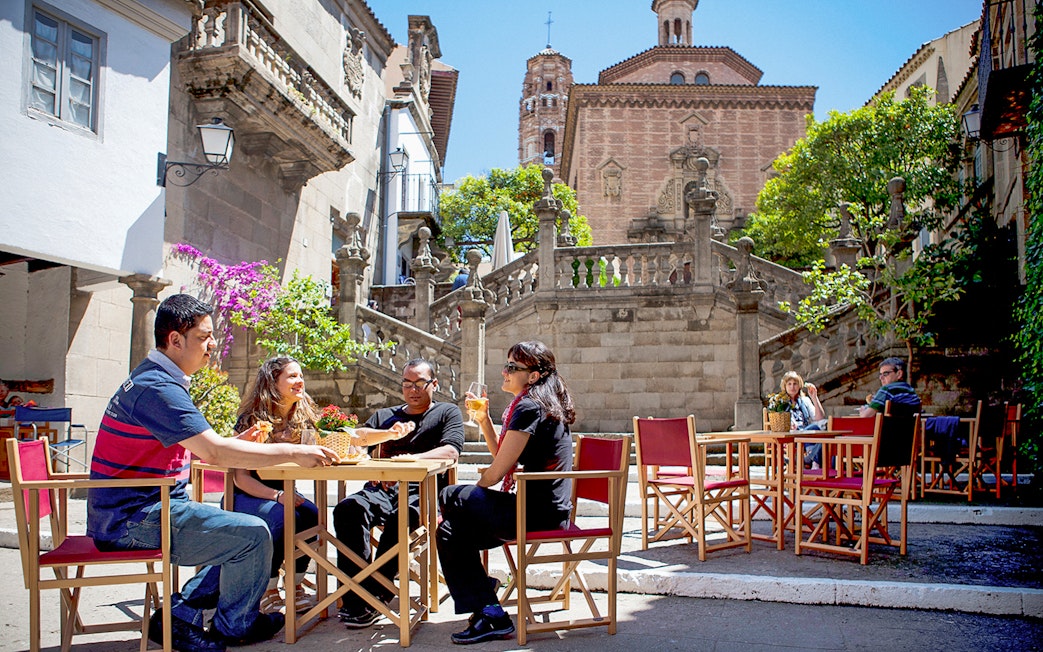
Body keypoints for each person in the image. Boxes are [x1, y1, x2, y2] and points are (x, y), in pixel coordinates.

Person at [86, 294, 340, 652]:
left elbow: (203, 451)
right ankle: (229, 624)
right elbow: (215, 452)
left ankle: (184, 613)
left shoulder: (156, 380)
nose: (213, 344)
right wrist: (294, 452)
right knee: (252, 533)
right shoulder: (158, 388)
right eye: (204, 337)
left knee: (241, 531)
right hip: (133, 518)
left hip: (148, 506)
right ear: (175, 340)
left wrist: (235, 443)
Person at [437, 341, 575, 645]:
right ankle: (491, 611)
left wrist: (468, 499)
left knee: (450, 496)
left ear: (534, 376)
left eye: (513, 367)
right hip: (541, 509)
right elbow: (505, 456)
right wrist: (485, 420)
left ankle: (480, 589)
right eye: (507, 365)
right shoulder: (537, 405)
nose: (505, 371)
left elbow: (498, 471)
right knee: (449, 531)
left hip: (538, 515)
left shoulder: (529, 407)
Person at [331, 358, 463, 629]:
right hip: (381, 489)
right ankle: (358, 596)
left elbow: (451, 450)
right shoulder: (384, 417)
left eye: (419, 383)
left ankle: (375, 593)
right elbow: (354, 439)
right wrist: (386, 435)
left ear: (434, 384)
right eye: (407, 384)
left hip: (422, 493)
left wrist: (407, 460)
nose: (412, 389)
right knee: (347, 509)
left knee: (402, 517)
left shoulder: (447, 412)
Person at [230, 356, 324, 615]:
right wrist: (278, 495)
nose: (300, 381)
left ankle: (294, 586)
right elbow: (241, 477)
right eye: (292, 376)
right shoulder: (252, 420)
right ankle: (269, 590)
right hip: (249, 493)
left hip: (284, 493)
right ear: (273, 382)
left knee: (311, 515)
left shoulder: (303, 418)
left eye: (300, 375)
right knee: (283, 517)